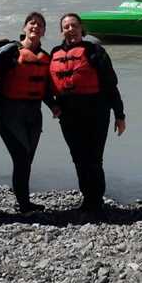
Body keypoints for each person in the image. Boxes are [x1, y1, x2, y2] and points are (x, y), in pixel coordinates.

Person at [50, 13, 125, 216]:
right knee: (78, 158)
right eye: (66, 27)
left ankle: (96, 200)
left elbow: (111, 84)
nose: (70, 30)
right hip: (69, 116)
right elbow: (48, 86)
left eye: (74, 26)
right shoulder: (54, 53)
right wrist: (52, 105)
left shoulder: (95, 51)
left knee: (94, 158)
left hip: (97, 114)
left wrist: (120, 114)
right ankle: (87, 198)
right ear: (61, 31)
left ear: (81, 29)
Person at [0, 12, 57, 214]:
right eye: (32, 23)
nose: (35, 27)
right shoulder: (10, 51)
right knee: (21, 158)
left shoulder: (45, 57)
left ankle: (24, 200)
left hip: (34, 114)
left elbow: (44, 90)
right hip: (10, 112)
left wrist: (53, 106)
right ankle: (24, 205)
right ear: (24, 27)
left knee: (27, 160)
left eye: (40, 25)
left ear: (44, 31)